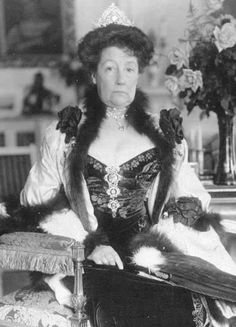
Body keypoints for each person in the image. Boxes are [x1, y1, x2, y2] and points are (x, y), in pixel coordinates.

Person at [4, 3, 236, 326]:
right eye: (110, 68)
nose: (121, 79)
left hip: (148, 260)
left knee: (177, 305)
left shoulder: (161, 134)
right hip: (88, 263)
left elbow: (190, 203)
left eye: (130, 68)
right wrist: (89, 244)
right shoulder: (66, 135)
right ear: (93, 73)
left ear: (139, 73)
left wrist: (161, 245)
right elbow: (37, 203)